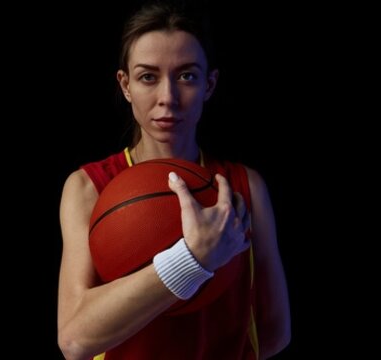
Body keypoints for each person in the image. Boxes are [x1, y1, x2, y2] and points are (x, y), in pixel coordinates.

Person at [56, 3, 291, 359]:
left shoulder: (245, 187)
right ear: (126, 85)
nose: (168, 98)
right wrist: (194, 258)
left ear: (209, 84)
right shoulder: (89, 187)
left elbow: (274, 332)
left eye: (186, 76)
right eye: (148, 77)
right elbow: (75, 341)